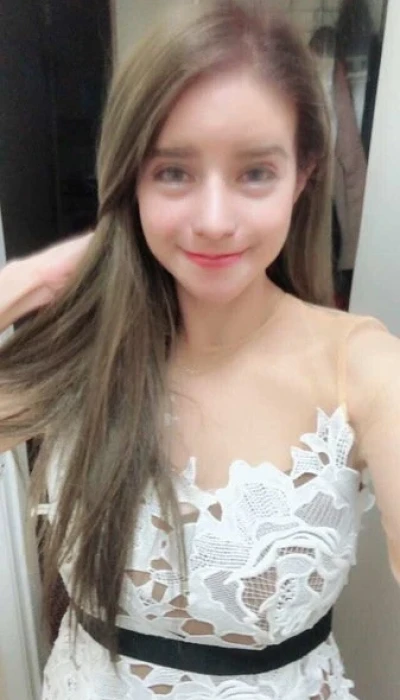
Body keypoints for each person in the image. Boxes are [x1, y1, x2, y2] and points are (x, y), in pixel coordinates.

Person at [0, 1, 399, 698]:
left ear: (304, 173)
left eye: (255, 172)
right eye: (174, 172)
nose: (214, 221)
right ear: (130, 178)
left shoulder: (359, 366)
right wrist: (31, 278)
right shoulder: (87, 348)